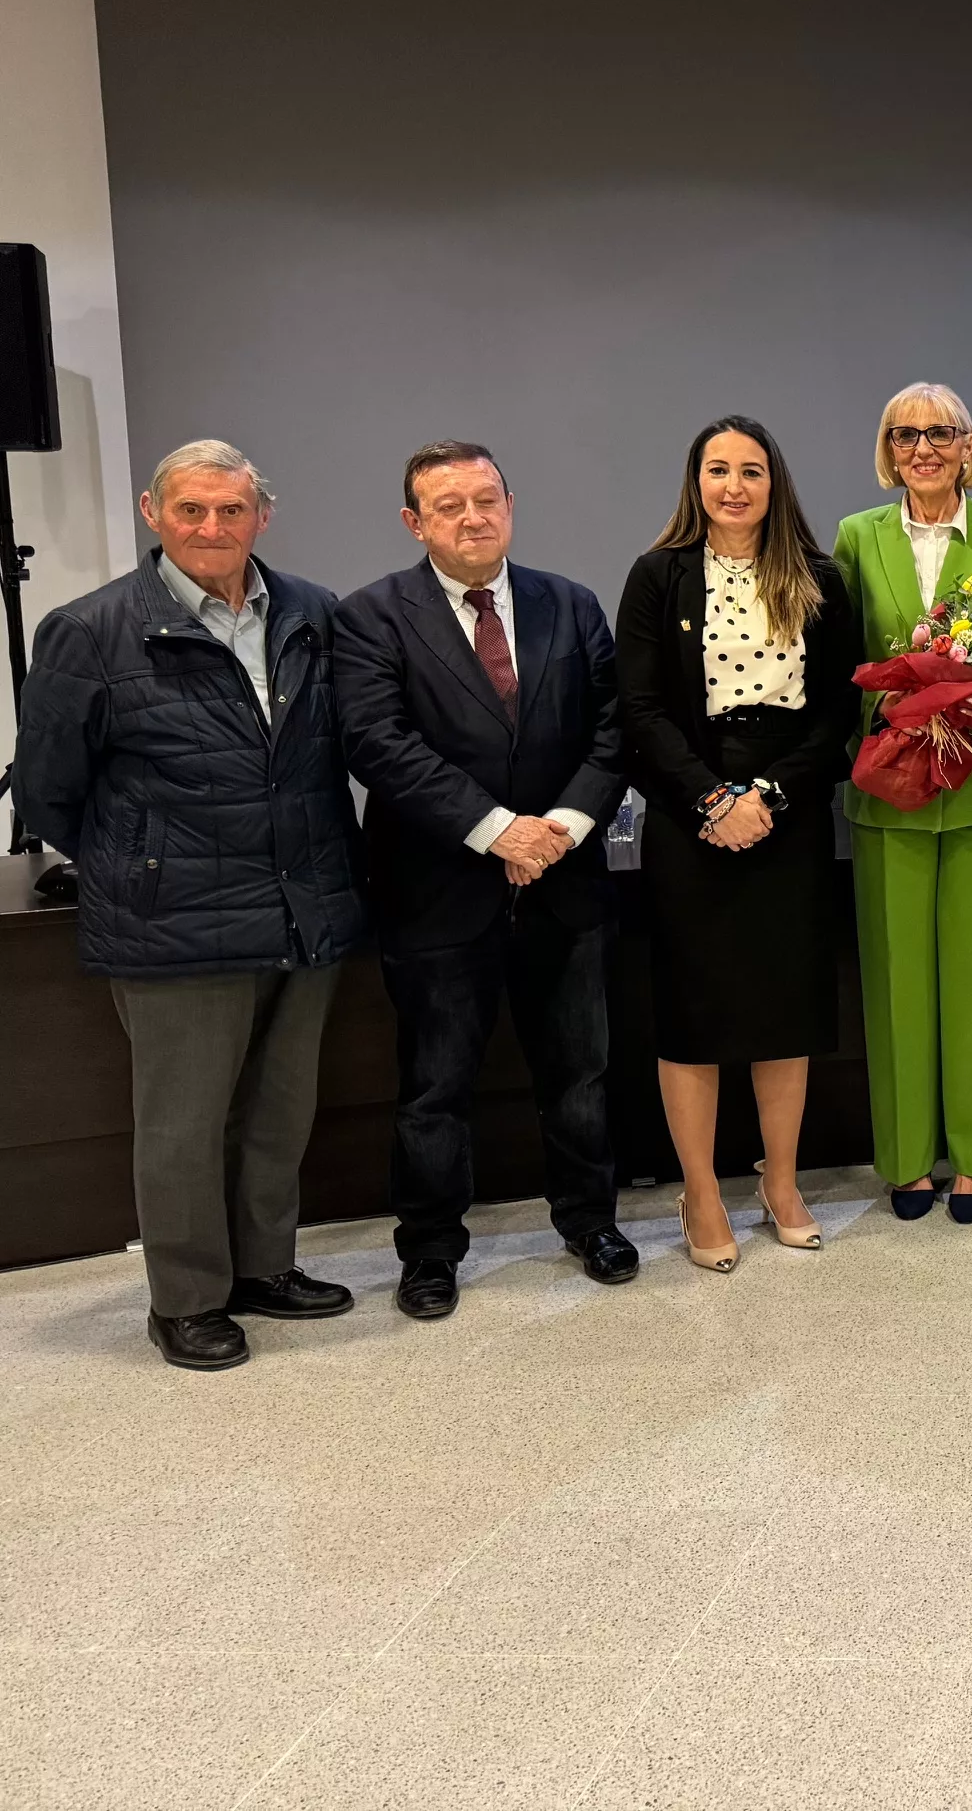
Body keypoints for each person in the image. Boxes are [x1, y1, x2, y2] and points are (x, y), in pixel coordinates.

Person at [11, 441, 366, 1369]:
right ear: (153, 513)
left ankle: (264, 1268)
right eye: (191, 510)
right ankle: (188, 1299)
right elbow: (48, 789)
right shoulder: (90, 630)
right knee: (183, 1123)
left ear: (262, 516)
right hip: (173, 915)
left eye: (231, 510)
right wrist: (145, 859)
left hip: (302, 902)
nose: (212, 527)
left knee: (279, 1109)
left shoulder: (313, 612)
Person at [335, 442, 635, 1317]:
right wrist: (499, 830)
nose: (473, 518)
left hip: (565, 882)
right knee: (434, 1089)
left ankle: (591, 1221)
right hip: (437, 889)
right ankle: (430, 1249)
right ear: (414, 522)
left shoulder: (569, 603)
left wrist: (561, 828)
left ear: (510, 504)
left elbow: (614, 728)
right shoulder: (371, 617)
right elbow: (377, 743)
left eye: (486, 499)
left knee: (580, 1074)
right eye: (449, 505)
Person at [616, 418, 858, 1271]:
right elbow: (640, 708)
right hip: (692, 809)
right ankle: (702, 1192)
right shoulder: (658, 575)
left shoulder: (818, 577)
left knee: (784, 1010)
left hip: (789, 809)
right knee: (695, 1014)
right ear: (696, 482)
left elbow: (838, 711)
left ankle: (781, 1183)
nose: (733, 486)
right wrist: (713, 799)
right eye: (717, 470)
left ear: (773, 483)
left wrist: (772, 796)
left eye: (751, 471)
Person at [833, 383, 972, 1225]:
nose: (922, 448)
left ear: (967, 447)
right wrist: (890, 704)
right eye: (905, 434)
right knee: (898, 984)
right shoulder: (856, 537)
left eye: (940, 432)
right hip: (892, 791)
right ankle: (906, 1160)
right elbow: (838, 661)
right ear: (888, 451)